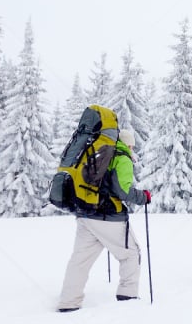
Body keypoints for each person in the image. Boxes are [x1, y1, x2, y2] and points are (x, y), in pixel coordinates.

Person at [58, 128, 151, 311]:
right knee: (132, 254)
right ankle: (128, 296)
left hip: (85, 214)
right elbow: (122, 191)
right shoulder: (122, 158)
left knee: (80, 261)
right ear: (128, 144)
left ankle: (68, 302)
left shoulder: (98, 153)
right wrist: (143, 196)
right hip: (107, 217)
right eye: (131, 144)